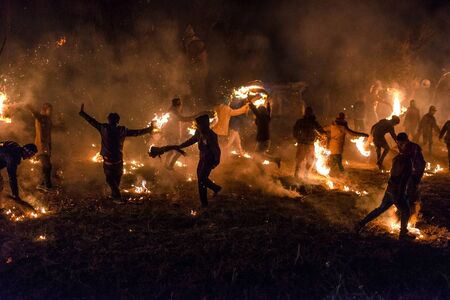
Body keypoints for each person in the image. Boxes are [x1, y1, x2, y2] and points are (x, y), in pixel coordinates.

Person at [79, 104, 153, 204]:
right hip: (118, 161)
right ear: (118, 121)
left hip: (108, 161)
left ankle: (117, 197)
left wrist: (82, 113)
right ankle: (115, 196)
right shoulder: (122, 130)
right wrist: (149, 129)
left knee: (110, 180)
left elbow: (92, 121)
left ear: (108, 120)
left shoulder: (103, 128)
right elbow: (137, 132)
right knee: (116, 179)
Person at [151, 114, 221, 207]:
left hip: (209, 159)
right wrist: (180, 146)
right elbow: (191, 141)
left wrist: (216, 161)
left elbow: (216, 150)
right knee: (201, 178)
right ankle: (216, 188)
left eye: (199, 124)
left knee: (201, 180)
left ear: (205, 124)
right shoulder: (199, 132)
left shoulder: (211, 136)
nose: (197, 126)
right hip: (202, 158)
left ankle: (204, 203)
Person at [356, 150, 415, 240]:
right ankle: (403, 234)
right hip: (397, 191)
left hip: (390, 190)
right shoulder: (407, 162)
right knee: (406, 211)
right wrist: (401, 194)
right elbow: (403, 180)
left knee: (380, 209)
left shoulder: (396, 158)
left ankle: (361, 223)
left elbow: (394, 175)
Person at [164, 98, 199, 170]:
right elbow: (182, 119)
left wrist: (190, 122)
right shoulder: (173, 112)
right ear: (177, 105)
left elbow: (181, 120)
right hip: (171, 135)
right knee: (177, 151)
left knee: (173, 151)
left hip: (173, 135)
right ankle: (169, 166)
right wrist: (195, 117)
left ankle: (168, 166)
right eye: (179, 104)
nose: (180, 106)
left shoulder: (173, 111)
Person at [0, 141, 38, 209]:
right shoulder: (13, 157)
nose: (29, 158)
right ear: (26, 151)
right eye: (30, 155)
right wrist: (16, 195)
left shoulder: (14, 145)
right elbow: (12, 177)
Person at [397, 132, 425, 218]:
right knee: (409, 190)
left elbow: (410, 161)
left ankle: (409, 213)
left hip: (414, 171)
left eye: (400, 142)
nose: (399, 144)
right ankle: (409, 210)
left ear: (404, 141)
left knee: (410, 190)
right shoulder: (409, 145)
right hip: (415, 170)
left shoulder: (410, 147)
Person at [27, 103, 54, 191]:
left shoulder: (48, 120)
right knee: (47, 166)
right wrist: (29, 105)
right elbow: (35, 113)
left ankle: (42, 184)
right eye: (49, 109)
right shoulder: (41, 118)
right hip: (41, 147)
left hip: (47, 147)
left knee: (47, 166)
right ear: (44, 110)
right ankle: (47, 186)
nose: (51, 111)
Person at [292, 107, 324, 178]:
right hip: (302, 143)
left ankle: (306, 174)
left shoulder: (314, 122)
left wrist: (324, 134)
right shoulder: (301, 121)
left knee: (310, 160)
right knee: (299, 159)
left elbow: (321, 130)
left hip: (310, 144)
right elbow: (295, 130)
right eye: (307, 112)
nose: (308, 113)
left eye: (309, 112)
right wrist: (297, 137)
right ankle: (296, 174)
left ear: (311, 113)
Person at [249, 98, 281, 167]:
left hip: (263, 141)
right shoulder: (266, 117)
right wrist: (268, 104)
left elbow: (255, 111)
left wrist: (250, 103)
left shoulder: (262, 117)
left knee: (257, 157)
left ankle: (260, 171)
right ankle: (275, 160)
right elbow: (269, 111)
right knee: (259, 156)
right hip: (263, 141)